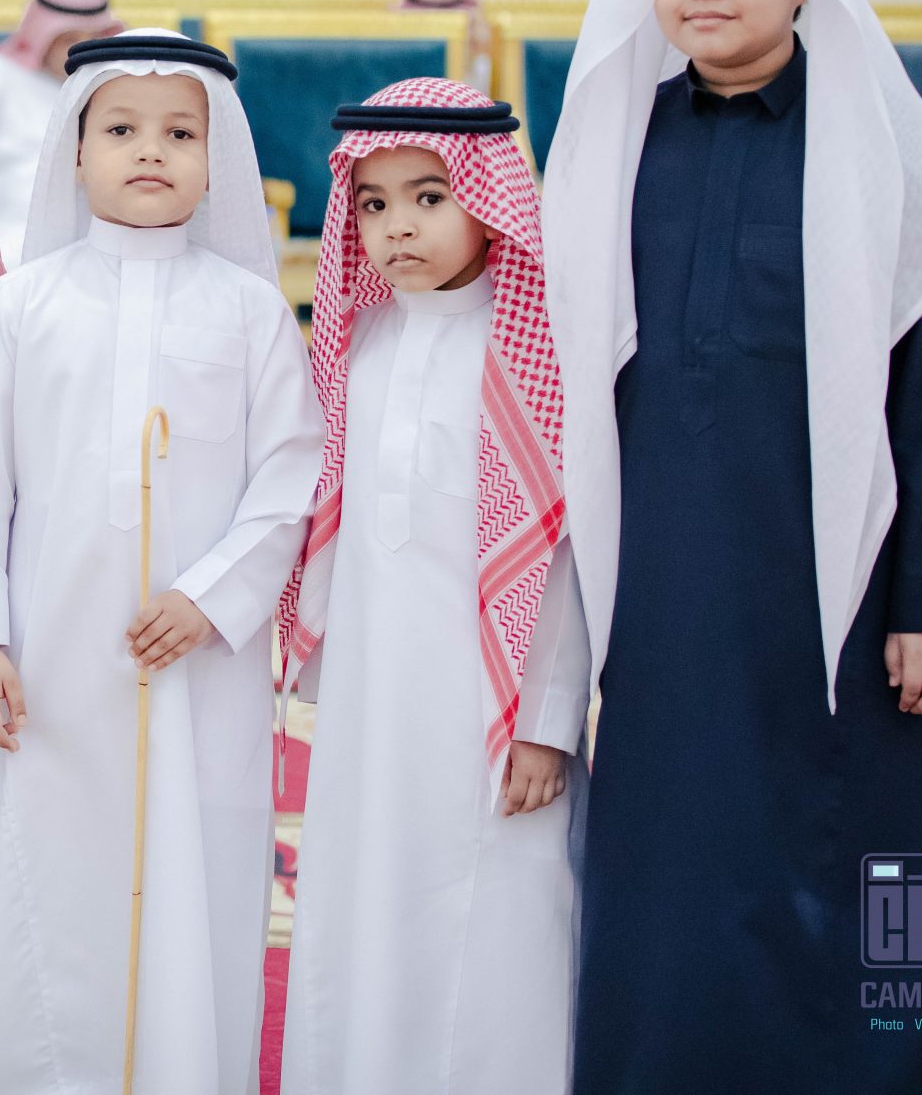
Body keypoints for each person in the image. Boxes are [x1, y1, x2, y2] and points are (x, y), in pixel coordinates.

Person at [543, 0, 922, 1093]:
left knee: (873, 849)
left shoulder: (886, 153)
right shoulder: (615, 148)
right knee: (672, 843)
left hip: (840, 577)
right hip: (667, 572)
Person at [0, 29, 323, 1094]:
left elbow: (290, 476)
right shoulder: (19, 306)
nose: (151, 150)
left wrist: (210, 598)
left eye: (180, 133)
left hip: (199, 668)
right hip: (45, 666)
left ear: (214, 159)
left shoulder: (249, 311)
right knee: (43, 883)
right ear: (75, 149)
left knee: (196, 882)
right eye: (123, 129)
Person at [277, 79, 586, 1095]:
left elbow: (558, 557)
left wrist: (545, 720)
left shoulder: (533, 351)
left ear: (488, 202)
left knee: (493, 907)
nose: (396, 226)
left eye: (428, 197)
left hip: (492, 715)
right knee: (364, 899)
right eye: (372, 203)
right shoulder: (356, 346)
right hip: (371, 704)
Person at [0, 0, 120, 265]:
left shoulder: (112, 85)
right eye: (69, 39)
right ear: (42, 36)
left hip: (97, 243)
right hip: (10, 240)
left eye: (94, 39)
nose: (82, 50)